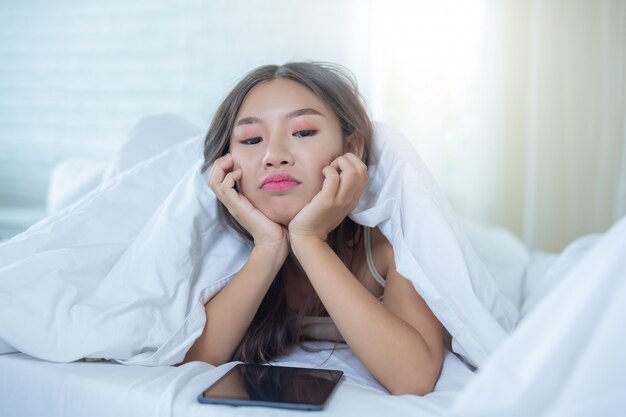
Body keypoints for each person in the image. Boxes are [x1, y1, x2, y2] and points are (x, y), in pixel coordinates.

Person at [182, 62, 444, 395]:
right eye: (251, 139)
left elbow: (414, 378)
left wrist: (308, 240)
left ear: (352, 150)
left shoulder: (389, 244)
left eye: (303, 132)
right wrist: (268, 246)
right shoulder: (225, 247)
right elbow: (194, 361)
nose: (273, 155)